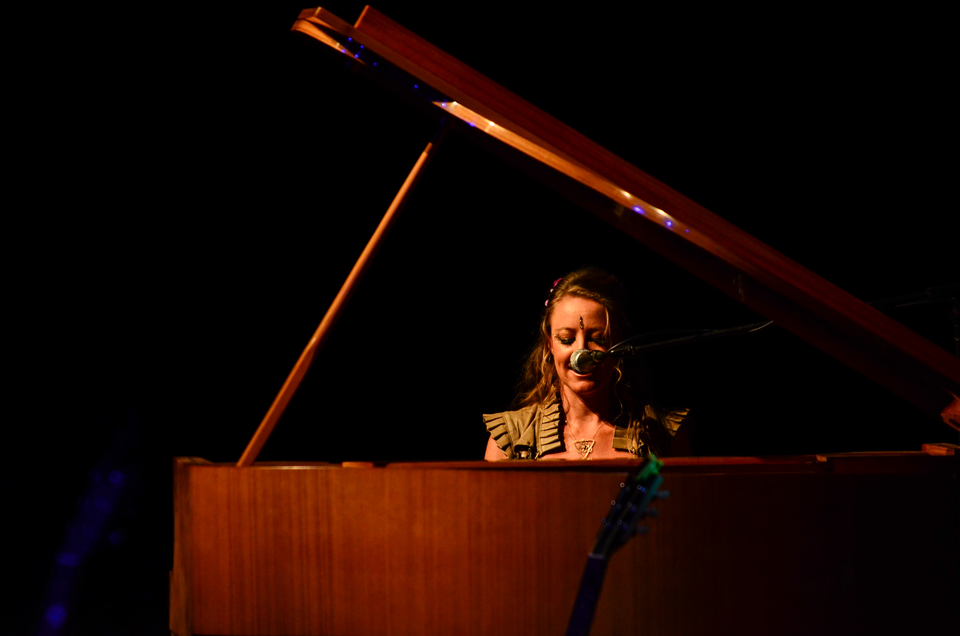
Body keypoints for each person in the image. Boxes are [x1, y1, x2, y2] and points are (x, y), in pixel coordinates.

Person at [483, 267, 692, 461]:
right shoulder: (511, 438)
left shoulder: (661, 436)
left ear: (619, 342)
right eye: (567, 339)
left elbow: (673, 491)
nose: (581, 354)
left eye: (598, 339)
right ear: (549, 344)